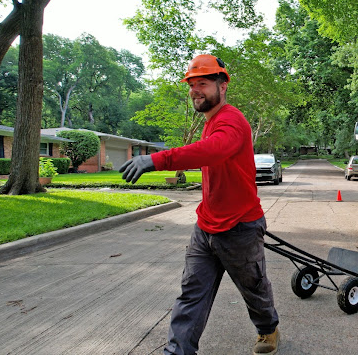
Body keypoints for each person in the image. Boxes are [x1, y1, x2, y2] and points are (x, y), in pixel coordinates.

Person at [120, 54, 280, 355]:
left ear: (222, 86)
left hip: (240, 226)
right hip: (206, 226)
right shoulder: (209, 122)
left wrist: (156, 159)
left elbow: (212, 151)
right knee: (191, 294)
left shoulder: (232, 120)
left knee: (254, 290)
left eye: (203, 83)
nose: (195, 90)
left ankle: (268, 329)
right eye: (192, 84)